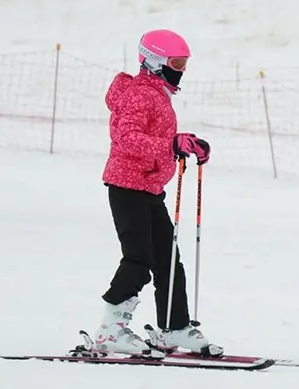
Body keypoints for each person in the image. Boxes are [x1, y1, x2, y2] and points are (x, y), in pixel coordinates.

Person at [92, 29, 222, 358]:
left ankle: (174, 326)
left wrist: (185, 142)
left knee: (167, 258)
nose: (181, 70)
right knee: (139, 259)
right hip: (127, 186)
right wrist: (170, 144)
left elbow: (155, 135)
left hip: (148, 187)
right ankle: (111, 329)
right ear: (154, 61)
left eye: (184, 63)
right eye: (177, 62)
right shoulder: (140, 93)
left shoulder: (156, 94)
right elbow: (127, 138)